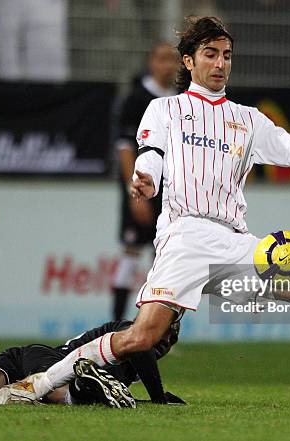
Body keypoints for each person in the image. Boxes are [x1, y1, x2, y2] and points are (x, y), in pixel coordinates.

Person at [0, 16, 290, 412]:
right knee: (143, 336)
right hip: (185, 236)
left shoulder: (247, 120)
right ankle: (39, 383)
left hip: (234, 240)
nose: (220, 63)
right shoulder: (165, 110)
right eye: (211, 53)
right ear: (189, 60)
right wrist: (145, 180)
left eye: (226, 55)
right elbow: (151, 155)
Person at [0, 310, 183, 408]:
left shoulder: (134, 340)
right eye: (164, 334)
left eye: (172, 341)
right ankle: (83, 379)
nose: (165, 342)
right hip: (55, 363)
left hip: (22, 356)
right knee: (61, 393)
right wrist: (158, 397)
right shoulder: (133, 331)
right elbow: (141, 350)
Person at [111, 42, 179, 321]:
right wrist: (134, 191)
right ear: (151, 62)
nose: (168, 65)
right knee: (131, 251)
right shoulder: (137, 99)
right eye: (162, 59)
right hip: (140, 187)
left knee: (163, 256)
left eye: (173, 60)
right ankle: (114, 324)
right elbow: (125, 148)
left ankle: (154, 328)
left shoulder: (180, 99)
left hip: (169, 189)